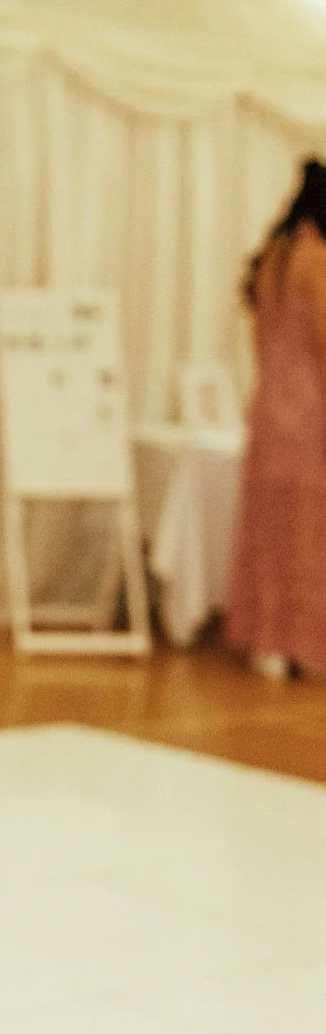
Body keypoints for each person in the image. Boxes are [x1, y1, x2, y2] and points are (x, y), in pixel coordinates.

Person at [225, 158, 326, 679]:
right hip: (309, 412)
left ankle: (267, 639)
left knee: (270, 527)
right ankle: (307, 645)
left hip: (269, 406)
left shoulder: (273, 258)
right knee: (309, 530)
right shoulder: (316, 258)